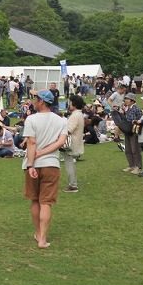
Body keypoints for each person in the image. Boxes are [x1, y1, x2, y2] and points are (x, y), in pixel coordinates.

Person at [21, 90, 68, 249]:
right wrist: (44, 152)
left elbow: (32, 143)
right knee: (46, 202)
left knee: (35, 200)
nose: (34, 101)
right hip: (52, 164)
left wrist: (31, 163)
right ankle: (42, 238)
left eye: (36, 98)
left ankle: (38, 234)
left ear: (42, 101)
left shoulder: (31, 119)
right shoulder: (61, 120)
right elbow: (60, 142)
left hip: (34, 163)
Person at [63, 95, 85, 193]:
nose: (69, 104)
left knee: (69, 164)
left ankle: (73, 185)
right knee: (70, 164)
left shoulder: (75, 115)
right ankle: (73, 184)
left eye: (70, 102)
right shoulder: (78, 114)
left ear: (74, 104)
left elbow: (68, 130)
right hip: (75, 143)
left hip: (71, 144)